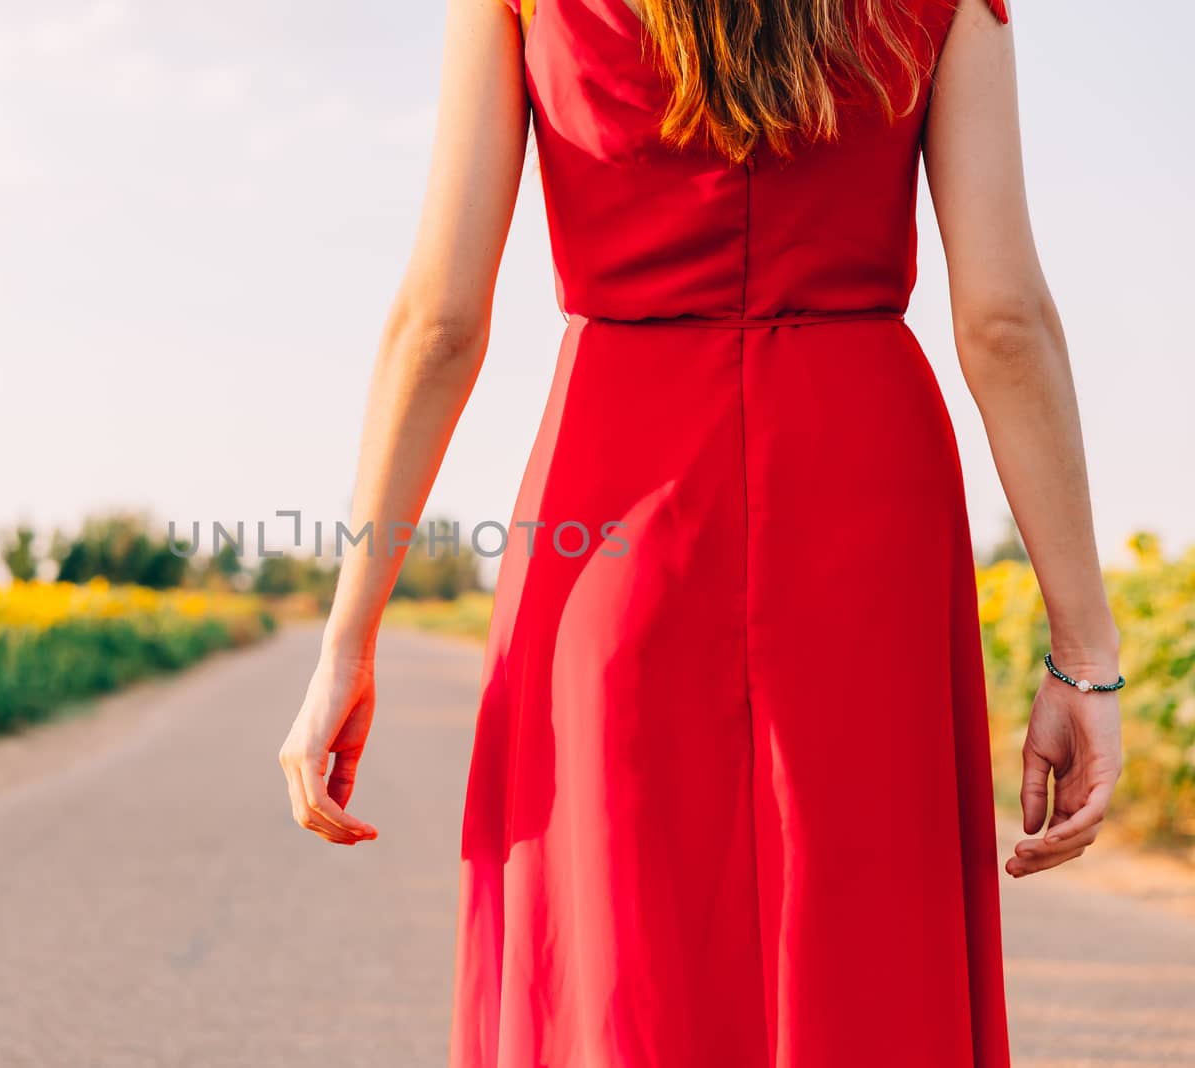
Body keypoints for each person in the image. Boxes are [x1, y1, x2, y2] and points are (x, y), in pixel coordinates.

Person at [277, 0, 1124, 1063]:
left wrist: (346, 640)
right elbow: (1002, 322)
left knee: (620, 951)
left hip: (613, 492)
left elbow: (439, 322)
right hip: (866, 490)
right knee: (865, 941)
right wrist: (1084, 658)